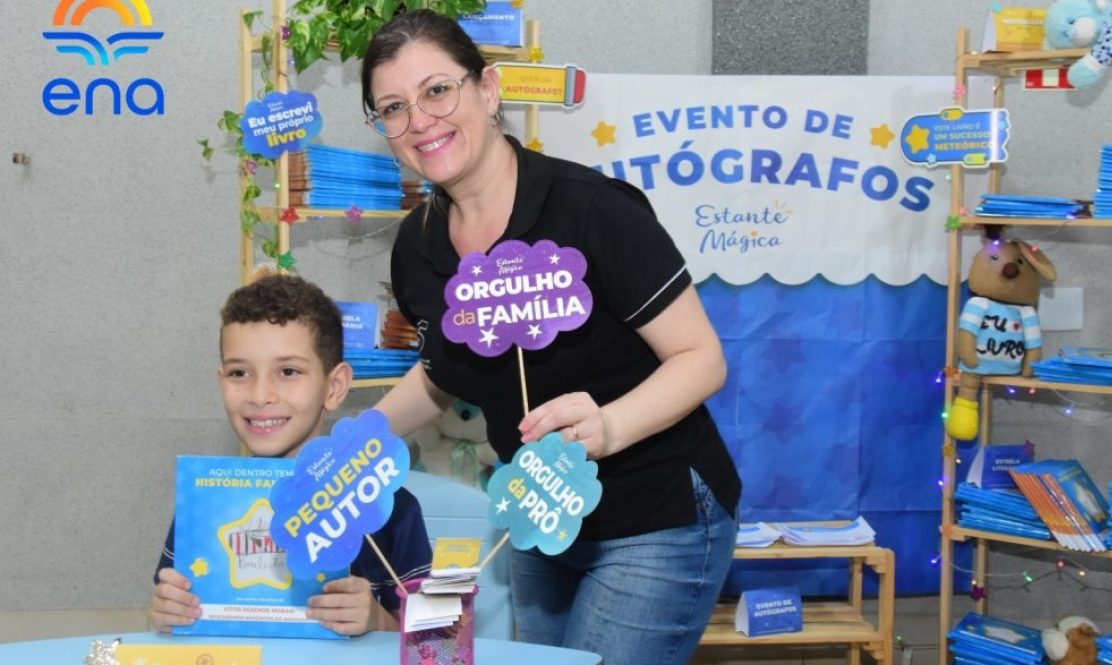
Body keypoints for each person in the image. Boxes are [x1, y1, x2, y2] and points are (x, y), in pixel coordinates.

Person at [360, 10, 740, 664]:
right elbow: (444, 371)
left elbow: (702, 359)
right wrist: (352, 444)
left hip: (658, 513)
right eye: (392, 107)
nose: (419, 119)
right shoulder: (416, 248)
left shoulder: (593, 211)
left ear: (489, 89)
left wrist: (609, 426)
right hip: (540, 519)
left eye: (437, 90)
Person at [149, 275, 431, 636]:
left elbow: (438, 645)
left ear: (334, 387)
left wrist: (377, 620)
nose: (260, 394)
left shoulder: (389, 505)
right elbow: (167, 621)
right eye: (239, 373)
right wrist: (165, 614)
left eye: (288, 371)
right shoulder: (204, 502)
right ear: (221, 382)